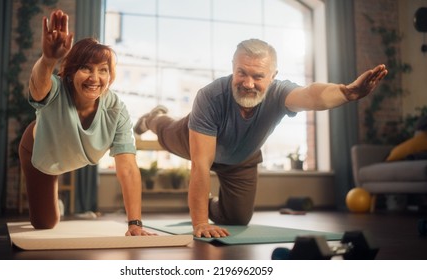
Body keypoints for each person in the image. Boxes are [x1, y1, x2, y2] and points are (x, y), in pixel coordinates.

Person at [134, 38, 388, 238]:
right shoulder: (209, 97)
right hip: (197, 141)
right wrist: (199, 222)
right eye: (241, 73)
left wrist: (346, 92)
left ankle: (205, 202)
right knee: (166, 132)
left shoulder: (280, 93)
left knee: (237, 219)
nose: (248, 83)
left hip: (242, 158)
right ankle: (151, 118)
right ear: (232, 69)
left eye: (258, 76)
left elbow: (311, 95)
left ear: (273, 76)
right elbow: (201, 166)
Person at [18, 10, 154, 236]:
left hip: (69, 153)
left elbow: (128, 168)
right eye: (86, 68)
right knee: (45, 223)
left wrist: (135, 223)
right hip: (39, 149)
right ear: (71, 72)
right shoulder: (56, 88)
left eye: (103, 70)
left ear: (110, 76)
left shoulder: (116, 110)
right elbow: (38, 86)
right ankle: (53, 200)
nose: (95, 78)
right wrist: (49, 60)